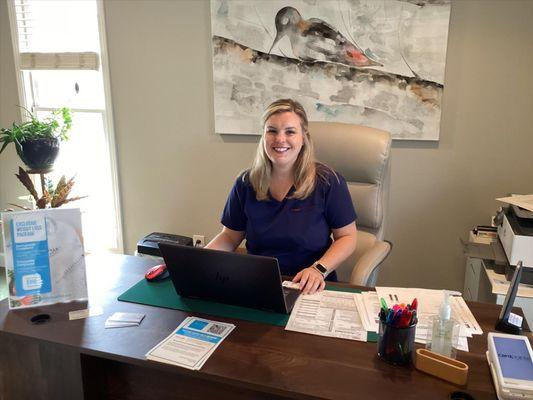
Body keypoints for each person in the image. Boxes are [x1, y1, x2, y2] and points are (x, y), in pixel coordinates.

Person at [206, 99, 357, 295]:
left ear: (304, 137)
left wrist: (318, 269)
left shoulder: (328, 182)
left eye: (290, 132)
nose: (280, 139)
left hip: (309, 287)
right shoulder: (246, 183)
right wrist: (200, 260)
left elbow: (347, 237)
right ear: (263, 136)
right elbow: (229, 237)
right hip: (258, 284)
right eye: (272, 131)